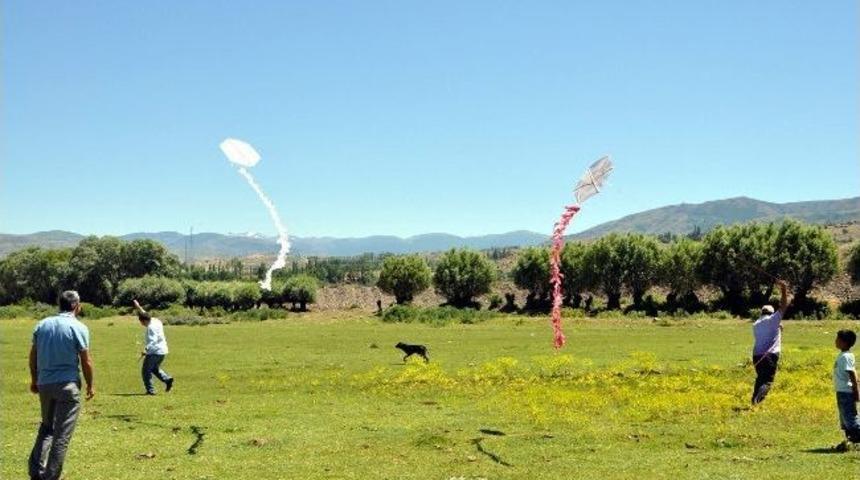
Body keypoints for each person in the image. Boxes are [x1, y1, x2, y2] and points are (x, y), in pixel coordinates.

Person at [28, 290, 95, 480]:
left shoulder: (42, 324)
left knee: (46, 428)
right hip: (67, 386)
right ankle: (50, 477)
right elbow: (86, 361)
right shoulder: (78, 327)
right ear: (75, 306)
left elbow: (33, 356)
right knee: (62, 436)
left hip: (45, 385)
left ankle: (35, 473)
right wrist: (90, 385)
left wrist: (34, 380)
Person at [750, 279, 789, 405]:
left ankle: (754, 401)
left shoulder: (756, 324)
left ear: (762, 312)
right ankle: (757, 401)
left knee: (760, 378)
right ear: (772, 313)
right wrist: (783, 289)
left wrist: (779, 326)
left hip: (756, 356)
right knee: (767, 381)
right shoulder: (773, 320)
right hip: (769, 356)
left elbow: (770, 330)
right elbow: (783, 305)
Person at [133, 299, 174, 395]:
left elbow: (153, 341)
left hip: (154, 352)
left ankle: (150, 390)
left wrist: (145, 350)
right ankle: (167, 380)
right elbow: (144, 313)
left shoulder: (151, 328)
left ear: (145, 320)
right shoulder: (155, 320)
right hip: (163, 351)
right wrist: (138, 306)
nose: (142, 324)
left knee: (145, 371)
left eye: (142, 322)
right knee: (154, 368)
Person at [833, 329, 860, 451]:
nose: (835, 341)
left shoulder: (846, 357)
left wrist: (856, 390)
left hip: (846, 392)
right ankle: (850, 443)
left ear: (844, 342)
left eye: (838, 339)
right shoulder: (843, 355)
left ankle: (855, 440)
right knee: (844, 418)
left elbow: (853, 374)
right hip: (841, 391)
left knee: (850, 418)